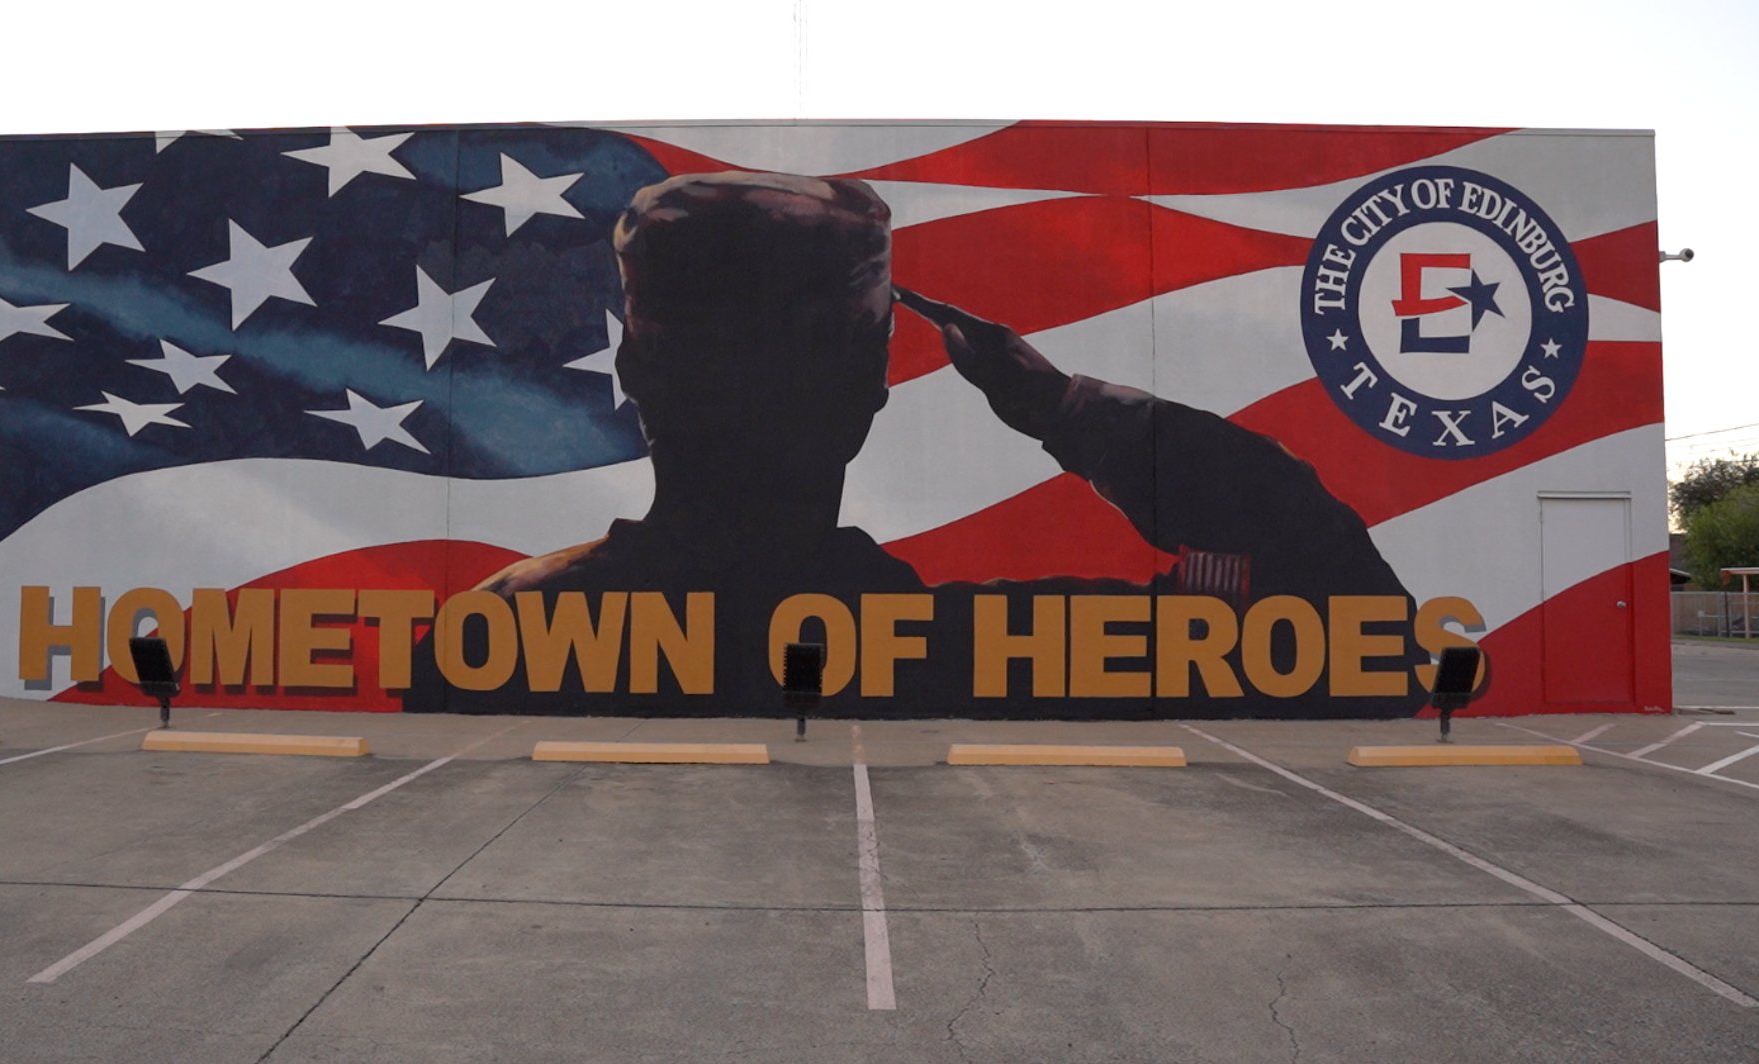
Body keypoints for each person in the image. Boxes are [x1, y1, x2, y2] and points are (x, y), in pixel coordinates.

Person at [405, 171, 1424, 718]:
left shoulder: (500, 637)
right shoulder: (970, 655)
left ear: (636, 371)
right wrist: (1060, 404)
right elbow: (1366, 631)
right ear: (872, 382)